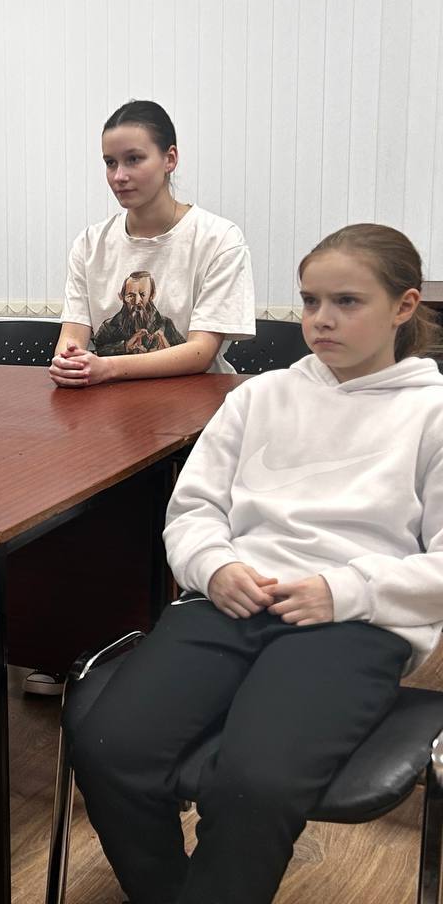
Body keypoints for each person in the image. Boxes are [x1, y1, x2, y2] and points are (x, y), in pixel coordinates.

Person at [71, 223, 443, 904]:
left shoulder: (432, 412)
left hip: (353, 623)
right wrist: (213, 566)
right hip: (229, 601)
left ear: (404, 306)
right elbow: (193, 510)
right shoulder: (258, 397)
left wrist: (345, 590)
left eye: (347, 302)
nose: (321, 319)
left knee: (255, 783)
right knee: (108, 750)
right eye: (310, 301)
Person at [50, 100, 256, 388]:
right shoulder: (89, 244)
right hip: (109, 404)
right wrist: (68, 362)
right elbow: (71, 337)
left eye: (134, 159)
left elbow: (201, 352)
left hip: (197, 403)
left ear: (169, 159)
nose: (119, 176)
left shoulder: (219, 239)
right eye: (110, 163)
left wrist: (107, 367)